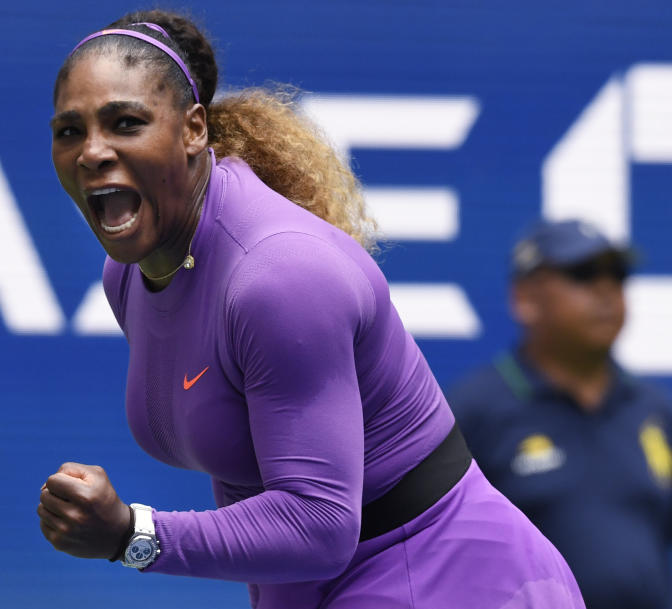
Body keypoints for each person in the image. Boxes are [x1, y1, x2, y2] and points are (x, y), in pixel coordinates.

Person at [38, 9, 584, 608]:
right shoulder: (131, 275)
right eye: (70, 131)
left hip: (453, 580)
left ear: (194, 130)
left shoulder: (278, 279)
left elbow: (318, 524)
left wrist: (133, 534)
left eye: (125, 122)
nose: (92, 152)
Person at [448, 219, 672, 609]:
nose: (607, 290)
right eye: (582, 274)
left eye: (617, 275)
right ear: (526, 300)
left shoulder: (654, 411)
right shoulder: (473, 413)